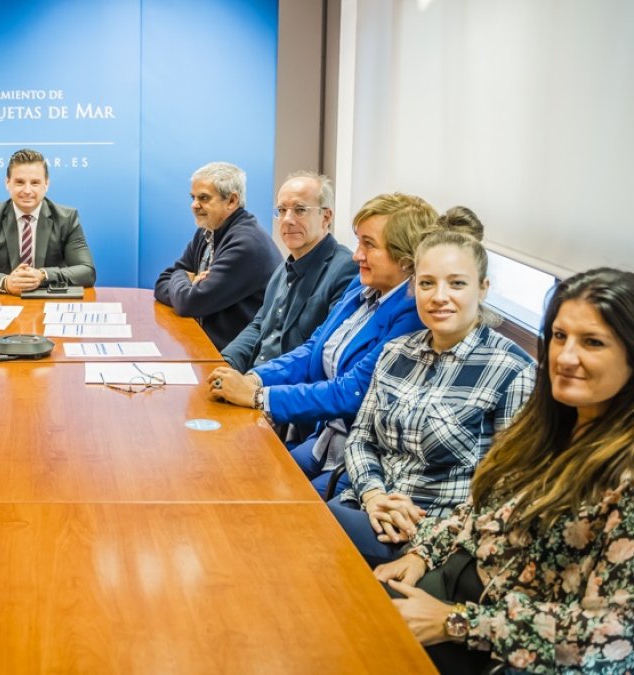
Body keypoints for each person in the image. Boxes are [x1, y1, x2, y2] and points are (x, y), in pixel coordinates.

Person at [376, 268, 634, 674]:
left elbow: (616, 634)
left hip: (511, 647)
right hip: (460, 588)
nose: (566, 357)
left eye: (593, 343)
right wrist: (423, 553)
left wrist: (454, 623)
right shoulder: (549, 422)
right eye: (561, 337)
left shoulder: (625, 471)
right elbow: (479, 508)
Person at [206, 193, 436, 495]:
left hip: (358, 453)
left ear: (406, 258)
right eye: (358, 242)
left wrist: (260, 397)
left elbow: (353, 392)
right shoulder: (362, 286)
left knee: (280, 504)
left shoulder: (412, 312)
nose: (357, 255)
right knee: (239, 476)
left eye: (369, 245)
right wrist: (254, 378)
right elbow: (313, 349)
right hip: (324, 434)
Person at [329, 229, 535, 566]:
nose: (439, 296)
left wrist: (427, 546)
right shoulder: (396, 353)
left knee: (304, 535)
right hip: (365, 506)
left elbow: (502, 488)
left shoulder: (513, 370)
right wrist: (374, 494)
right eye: (427, 283)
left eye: (456, 284)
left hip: (432, 535)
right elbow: (361, 438)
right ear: (413, 288)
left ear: (483, 289)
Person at [220, 171, 357, 371]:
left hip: (280, 389)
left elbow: (321, 353)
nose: (287, 220)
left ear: (326, 217)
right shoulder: (282, 270)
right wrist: (226, 363)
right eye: (282, 210)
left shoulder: (345, 270)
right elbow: (259, 327)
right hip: (253, 377)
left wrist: (255, 380)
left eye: (300, 210)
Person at [154, 162, 281, 348]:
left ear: (232, 201)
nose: (194, 205)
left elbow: (189, 303)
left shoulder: (246, 244)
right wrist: (187, 281)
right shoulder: (207, 231)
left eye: (204, 198)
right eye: (193, 197)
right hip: (207, 343)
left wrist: (183, 278)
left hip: (237, 360)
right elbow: (162, 282)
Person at [0, 148, 96, 294]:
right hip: (4, 304)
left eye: (35, 183)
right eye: (20, 182)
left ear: (46, 184)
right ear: (7, 183)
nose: (27, 190)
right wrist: (6, 282)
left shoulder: (66, 218)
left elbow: (87, 271)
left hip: (51, 302)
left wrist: (43, 275)